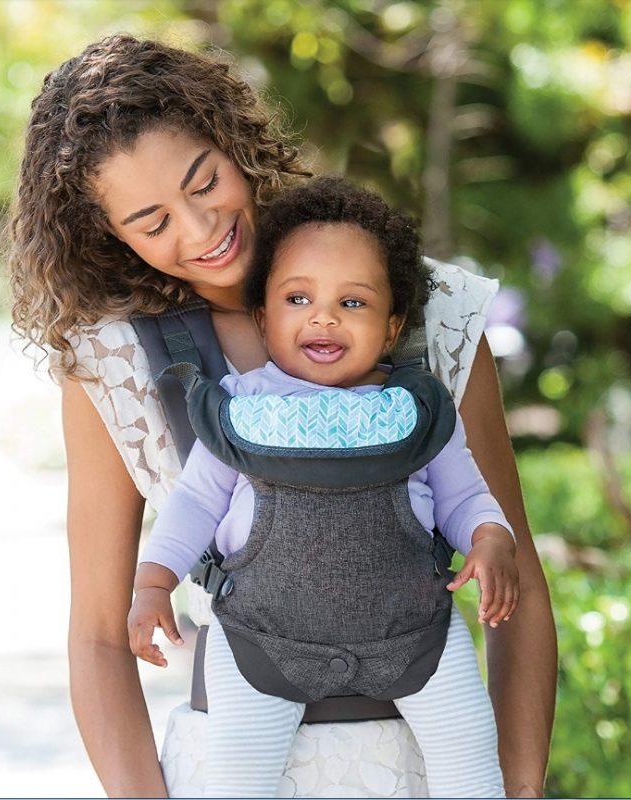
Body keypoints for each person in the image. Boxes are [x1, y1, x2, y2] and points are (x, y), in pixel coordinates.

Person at [6, 33, 556, 798]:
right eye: (152, 221)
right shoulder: (116, 364)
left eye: (204, 183)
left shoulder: (435, 313)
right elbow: (100, 636)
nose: (200, 230)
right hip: (233, 762)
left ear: (233, 140)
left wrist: (521, 786)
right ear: (110, 235)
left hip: (427, 769)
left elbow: (513, 573)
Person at [128, 177, 519, 797]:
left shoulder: (416, 411)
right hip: (261, 639)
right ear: (263, 318)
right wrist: (153, 583)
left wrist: (491, 536)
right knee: (237, 781)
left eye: (354, 303)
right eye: (298, 298)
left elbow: (464, 495)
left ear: (393, 329)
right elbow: (197, 503)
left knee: (470, 757)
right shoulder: (240, 410)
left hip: (414, 636)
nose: (325, 316)